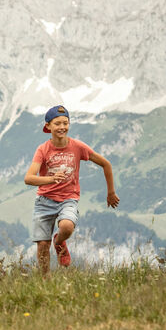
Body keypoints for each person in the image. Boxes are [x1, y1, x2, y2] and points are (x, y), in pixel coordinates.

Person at [24, 105, 120, 274]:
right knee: (42, 245)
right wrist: (51, 179)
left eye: (65, 123)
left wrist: (111, 192)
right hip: (44, 201)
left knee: (67, 227)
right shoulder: (43, 149)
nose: (62, 127)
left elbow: (106, 164)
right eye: (57, 123)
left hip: (68, 199)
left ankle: (59, 241)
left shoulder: (78, 147)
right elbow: (29, 178)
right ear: (48, 126)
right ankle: (45, 281)